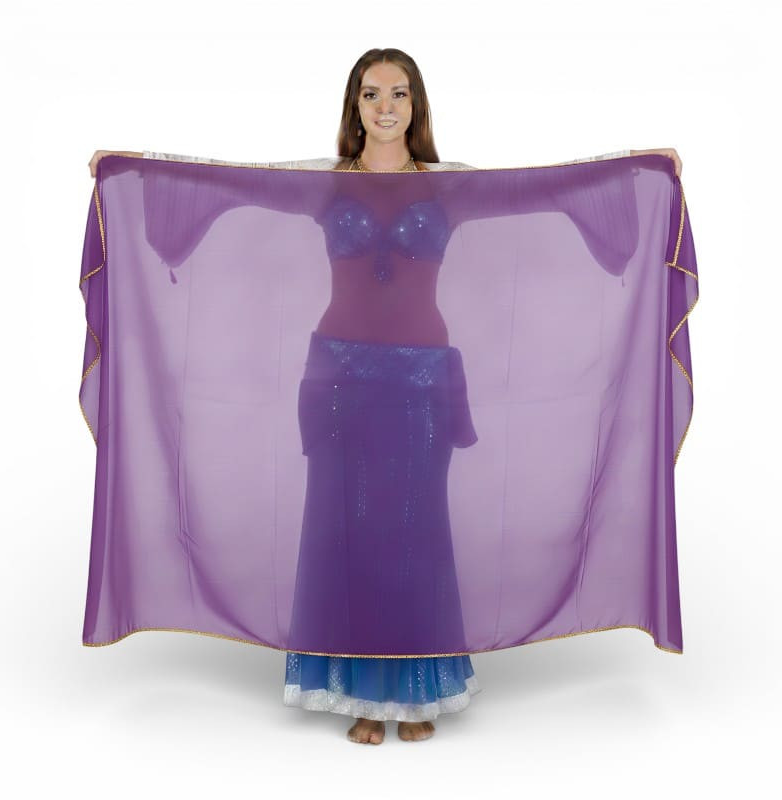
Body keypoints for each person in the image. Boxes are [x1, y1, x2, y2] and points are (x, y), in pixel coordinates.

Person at [88, 47, 682, 746]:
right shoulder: (325, 184)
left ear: (416, 105)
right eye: (371, 94)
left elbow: (542, 189)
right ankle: (362, 697)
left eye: (399, 93)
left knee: (415, 529)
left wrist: (638, 166)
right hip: (338, 378)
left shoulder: (449, 187)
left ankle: (416, 690)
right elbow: (231, 183)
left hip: (422, 380)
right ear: (355, 107)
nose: (386, 107)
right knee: (346, 530)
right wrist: (131, 168)